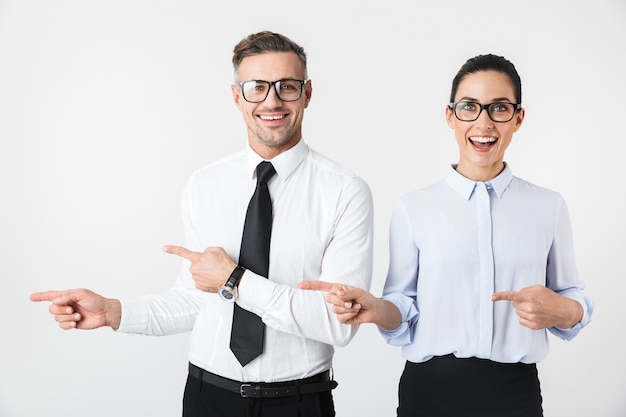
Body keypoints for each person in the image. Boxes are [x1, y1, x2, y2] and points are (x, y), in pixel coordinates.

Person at [30, 31, 373, 417]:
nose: (272, 101)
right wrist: (113, 312)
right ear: (236, 96)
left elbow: (337, 325)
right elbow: (195, 299)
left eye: (287, 87)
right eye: (257, 87)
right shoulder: (204, 185)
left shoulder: (345, 192)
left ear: (307, 94)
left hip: (297, 403)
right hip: (208, 397)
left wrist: (235, 281)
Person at [300, 54, 593, 417]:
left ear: (518, 118)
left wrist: (563, 309)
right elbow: (404, 310)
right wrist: (378, 310)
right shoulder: (414, 208)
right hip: (431, 392)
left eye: (499, 108)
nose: (484, 122)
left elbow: (573, 299)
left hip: (515, 393)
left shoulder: (548, 206)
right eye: (469, 107)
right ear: (450, 115)